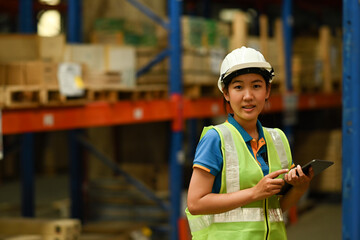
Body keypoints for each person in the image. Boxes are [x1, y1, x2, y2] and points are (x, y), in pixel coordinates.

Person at [185, 46, 314, 240]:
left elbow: (276, 209)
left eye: (256, 86)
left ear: (267, 90)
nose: (248, 96)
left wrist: (301, 186)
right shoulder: (216, 138)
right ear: (226, 94)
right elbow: (195, 204)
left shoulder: (278, 139)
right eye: (238, 87)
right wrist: (254, 193)